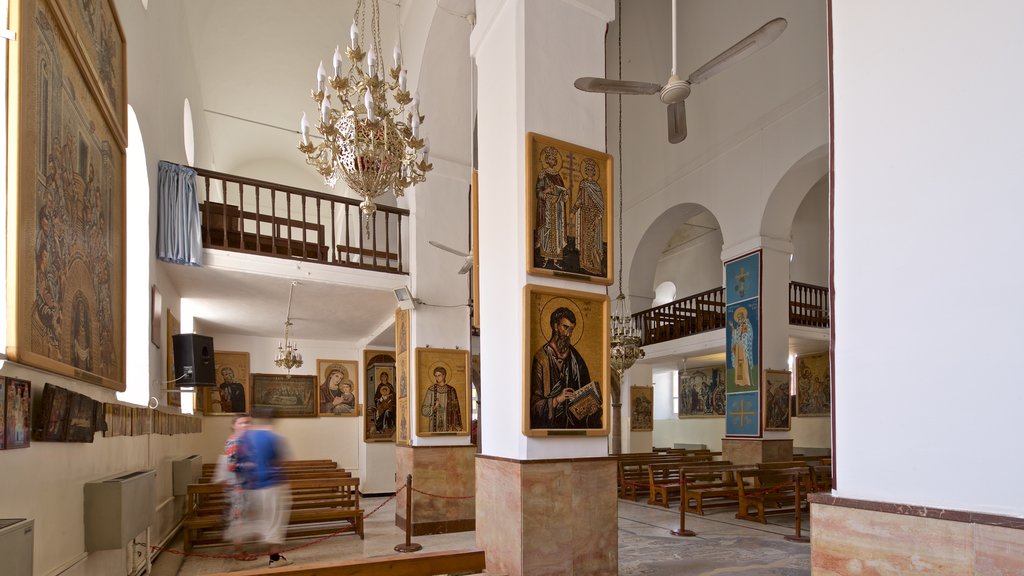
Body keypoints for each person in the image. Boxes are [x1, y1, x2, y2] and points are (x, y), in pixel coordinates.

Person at [230, 412, 293, 568]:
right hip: (272, 485)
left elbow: (235, 463)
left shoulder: (243, 438)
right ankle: (275, 558)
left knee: (262, 519)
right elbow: (282, 461)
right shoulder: (273, 437)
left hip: (251, 486)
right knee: (274, 521)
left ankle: (256, 548)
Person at [529, 307, 601, 429]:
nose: (568, 333)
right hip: (550, 428)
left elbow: (587, 392)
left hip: (574, 426)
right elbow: (535, 405)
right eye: (565, 327)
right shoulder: (541, 359)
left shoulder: (576, 359)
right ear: (555, 326)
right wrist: (557, 399)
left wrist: (591, 407)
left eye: (571, 329)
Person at [534, 146, 568, 269]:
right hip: (547, 207)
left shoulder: (558, 176)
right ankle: (545, 258)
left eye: (554, 158)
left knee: (557, 233)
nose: (553, 160)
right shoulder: (543, 174)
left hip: (557, 209)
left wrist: (564, 193)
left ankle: (556, 260)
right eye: (550, 158)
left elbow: (563, 193)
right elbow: (538, 192)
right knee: (546, 231)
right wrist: (546, 190)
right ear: (547, 160)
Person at [573, 157, 605, 275]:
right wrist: (573, 210)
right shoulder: (583, 184)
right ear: (585, 171)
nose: (590, 171)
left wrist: (598, 217)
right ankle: (585, 263)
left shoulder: (597, 187)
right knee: (585, 239)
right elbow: (580, 199)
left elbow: (600, 205)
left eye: (592, 169)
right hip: (584, 215)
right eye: (588, 169)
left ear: (595, 172)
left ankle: (595, 264)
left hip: (594, 216)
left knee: (593, 239)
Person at [420, 367, 463, 432]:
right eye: (436, 376)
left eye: (439, 375)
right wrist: (434, 407)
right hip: (434, 423)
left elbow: (456, 410)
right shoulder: (431, 390)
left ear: (444, 376)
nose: (437, 377)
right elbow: (424, 410)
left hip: (448, 423)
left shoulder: (451, 390)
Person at [731, 306, 754, 387]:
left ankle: (746, 382)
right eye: (737, 318)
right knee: (738, 363)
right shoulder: (738, 326)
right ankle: (739, 382)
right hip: (738, 346)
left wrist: (743, 334)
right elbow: (735, 335)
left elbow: (749, 334)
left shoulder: (746, 323)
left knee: (744, 363)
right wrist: (732, 327)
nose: (738, 319)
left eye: (739, 317)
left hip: (743, 346)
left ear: (742, 316)